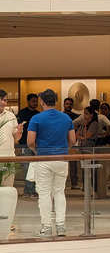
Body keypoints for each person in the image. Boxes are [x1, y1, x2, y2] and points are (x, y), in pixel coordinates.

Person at [27, 89, 76, 237]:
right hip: (62, 159)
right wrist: (64, 149)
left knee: (44, 193)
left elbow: (30, 142)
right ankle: (61, 226)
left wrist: (37, 151)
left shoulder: (36, 118)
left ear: (41, 101)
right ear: (55, 100)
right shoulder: (66, 118)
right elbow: (73, 140)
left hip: (43, 159)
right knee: (59, 192)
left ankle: (46, 226)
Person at [0, 89, 23, 187]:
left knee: (8, 187)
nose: (4, 103)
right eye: (2, 100)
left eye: (5, 100)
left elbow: (16, 139)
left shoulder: (11, 116)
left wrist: (19, 131)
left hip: (8, 157)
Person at [18, 93, 39, 197]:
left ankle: (32, 190)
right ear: (28, 101)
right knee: (26, 167)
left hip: (36, 144)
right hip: (24, 144)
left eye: (36, 101)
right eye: (33, 101)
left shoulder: (38, 114)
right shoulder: (22, 113)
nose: (35, 103)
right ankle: (28, 191)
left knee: (35, 168)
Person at [64, 98, 81, 189]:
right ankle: (61, 183)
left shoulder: (77, 116)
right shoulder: (61, 115)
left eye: (70, 104)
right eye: (67, 104)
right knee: (61, 163)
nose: (68, 105)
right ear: (64, 105)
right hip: (62, 141)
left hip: (73, 141)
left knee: (73, 164)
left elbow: (79, 128)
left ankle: (74, 183)